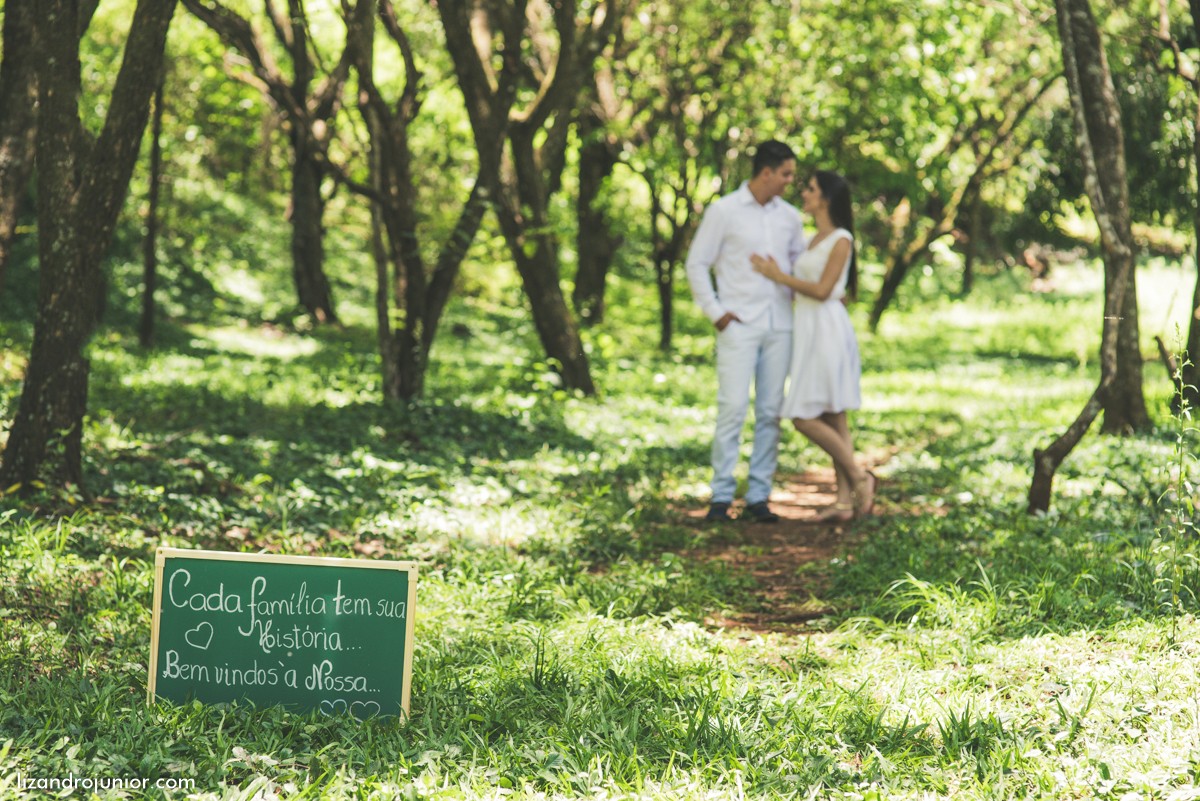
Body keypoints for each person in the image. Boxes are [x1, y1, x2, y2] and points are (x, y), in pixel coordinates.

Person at [686, 141, 807, 523]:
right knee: (733, 407)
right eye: (786, 174)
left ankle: (758, 496)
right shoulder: (724, 211)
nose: (790, 181)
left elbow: (800, 267)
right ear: (766, 172)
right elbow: (696, 263)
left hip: (780, 325)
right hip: (737, 324)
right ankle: (721, 496)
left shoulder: (790, 218)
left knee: (770, 412)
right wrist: (716, 313)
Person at [750, 170, 876, 521]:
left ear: (826, 198)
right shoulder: (811, 239)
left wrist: (778, 276)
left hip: (827, 329)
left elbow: (822, 290)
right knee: (834, 417)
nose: (803, 193)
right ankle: (844, 502)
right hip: (806, 326)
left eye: (810, 189)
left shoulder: (841, 239)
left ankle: (859, 476)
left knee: (803, 417)